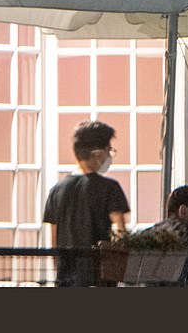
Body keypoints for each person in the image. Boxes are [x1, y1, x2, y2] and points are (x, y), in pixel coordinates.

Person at [43, 120, 129, 286]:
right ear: (98, 154)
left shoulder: (56, 190)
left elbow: (54, 237)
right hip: (99, 275)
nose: (110, 156)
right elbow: (120, 229)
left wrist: (58, 270)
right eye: (109, 150)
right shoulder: (110, 188)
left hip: (66, 276)